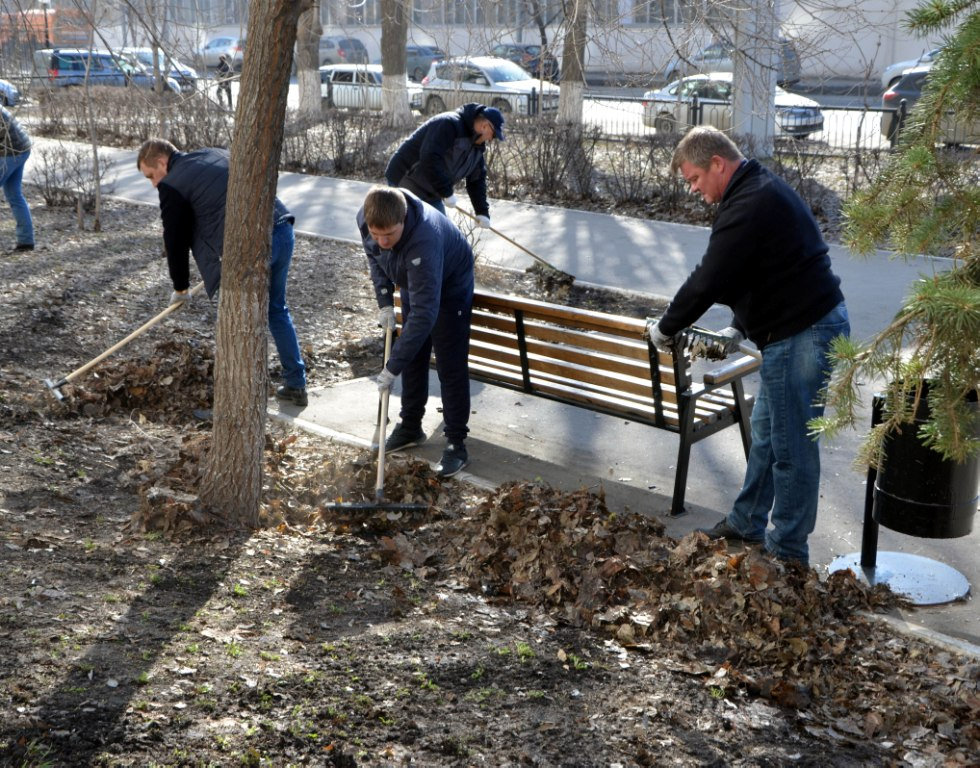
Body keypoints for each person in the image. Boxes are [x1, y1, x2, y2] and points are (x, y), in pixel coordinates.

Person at [647, 127, 849, 567]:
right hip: (795, 329)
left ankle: (789, 551)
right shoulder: (756, 190)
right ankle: (747, 521)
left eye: (695, 179)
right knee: (767, 438)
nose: (695, 190)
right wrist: (740, 326)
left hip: (803, 334)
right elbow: (761, 268)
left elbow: (710, 276)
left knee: (792, 448)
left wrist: (666, 328)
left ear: (717, 163)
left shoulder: (750, 202)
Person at [136, 138, 307, 407]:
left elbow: (175, 240)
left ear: (161, 162)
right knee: (275, 309)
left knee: (233, 322)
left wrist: (180, 288)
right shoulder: (214, 153)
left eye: (151, 176)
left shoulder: (172, 183)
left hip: (250, 250)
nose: (153, 183)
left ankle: (236, 405)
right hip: (282, 228)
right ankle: (296, 384)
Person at [356, 185, 475, 478]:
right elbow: (376, 259)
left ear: (404, 220)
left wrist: (390, 368)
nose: (382, 241)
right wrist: (385, 302)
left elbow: (425, 314)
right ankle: (410, 426)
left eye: (390, 235)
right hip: (415, 280)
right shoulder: (367, 218)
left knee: (449, 364)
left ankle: (456, 444)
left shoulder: (424, 239)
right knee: (414, 356)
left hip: (449, 287)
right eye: (376, 234)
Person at [384, 102, 503, 223]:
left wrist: (481, 211)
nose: (491, 140)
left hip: (432, 191)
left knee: (440, 229)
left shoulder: (477, 148)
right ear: (485, 126)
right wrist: (445, 191)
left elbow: (476, 180)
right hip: (405, 179)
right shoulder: (449, 124)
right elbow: (430, 157)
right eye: (493, 135)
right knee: (407, 229)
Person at [0, 106, 34, 252]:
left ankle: (26, 240)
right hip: (22, 149)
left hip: (9, 152)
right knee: (14, 195)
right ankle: (26, 241)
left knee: (15, 195)